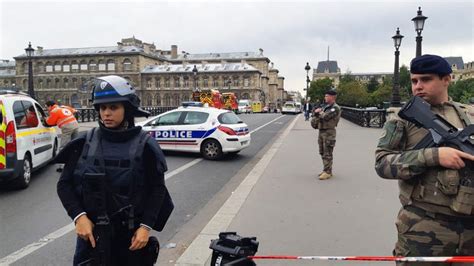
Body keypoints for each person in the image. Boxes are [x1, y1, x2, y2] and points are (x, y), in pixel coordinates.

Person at [56, 75, 173, 265]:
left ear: (127, 109)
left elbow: (158, 189)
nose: (106, 113)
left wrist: (145, 227)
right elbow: (64, 184)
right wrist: (79, 217)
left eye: (113, 107)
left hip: (131, 237)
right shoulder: (85, 142)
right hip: (92, 237)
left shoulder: (145, 145)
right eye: (102, 108)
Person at [375, 54, 474, 265]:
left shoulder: (470, 115)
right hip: (424, 225)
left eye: (426, 79)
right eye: (414, 81)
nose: (418, 86)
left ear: (446, 79)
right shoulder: (401, 119)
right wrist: (433, 155)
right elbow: (382, 163)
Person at [313, 90, 341, 180]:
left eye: (326, 96)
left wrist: (319, 112)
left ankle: (327, 172)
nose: (325, 97)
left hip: (329, 132)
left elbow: (326, 116)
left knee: (327, 152)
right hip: (322, 131)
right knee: (322, 151)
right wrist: (318, 112)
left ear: (332, 97)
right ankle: (327, 169)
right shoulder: (327, 107)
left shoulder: (335, 108)